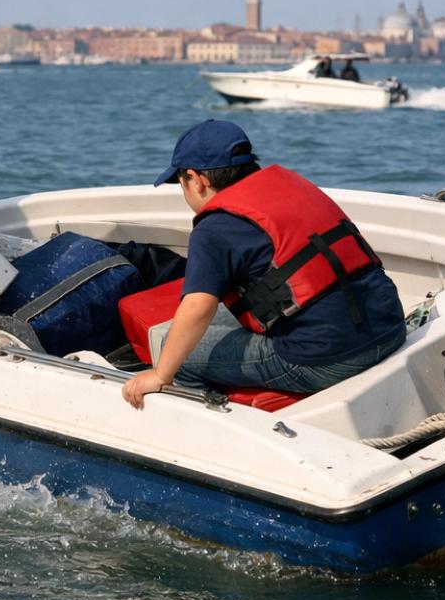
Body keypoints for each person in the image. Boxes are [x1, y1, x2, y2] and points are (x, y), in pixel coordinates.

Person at [121, 120, 405, 409]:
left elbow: (198, 308)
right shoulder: (291, 186)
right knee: (212, 323)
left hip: (328, 360)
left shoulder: (214, 228)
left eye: (181, 183)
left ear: (196, 179)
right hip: (390, 327)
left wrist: (160, 374)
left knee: (177, 354)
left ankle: (221, 425)